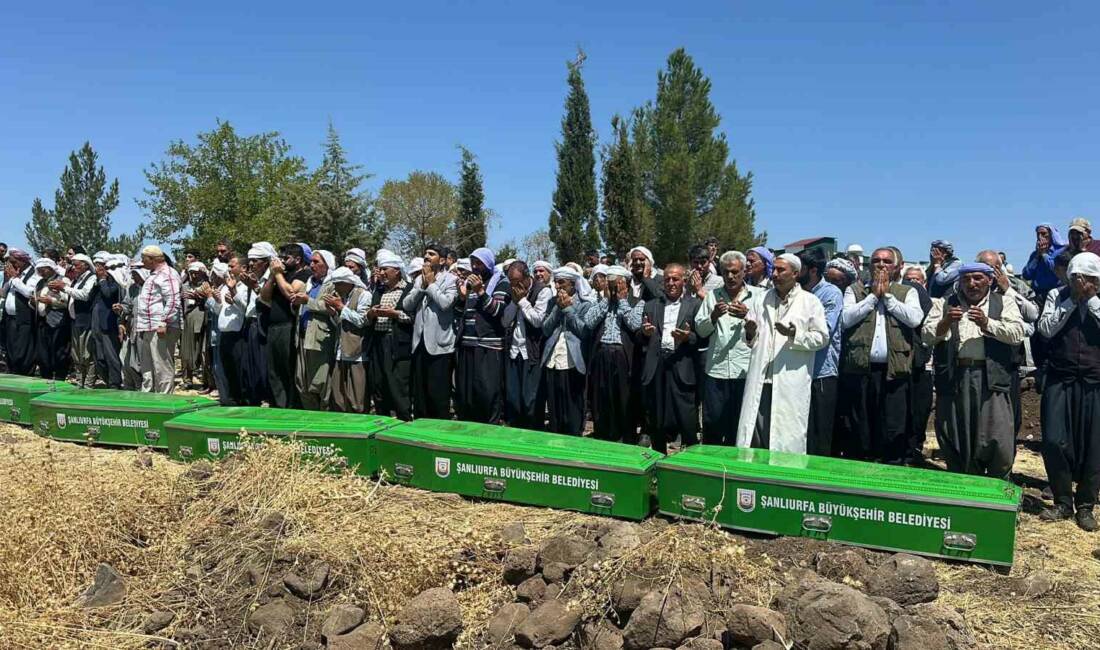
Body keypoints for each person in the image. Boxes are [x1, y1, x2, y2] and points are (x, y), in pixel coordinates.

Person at [924, 263, 1025, 479]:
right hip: (955, 377)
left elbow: (1017, 334)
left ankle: (995, 494)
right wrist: (946, 322)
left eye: (978, 278)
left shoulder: (1004, 302)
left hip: (991, 378)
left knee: (997, 438)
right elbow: (927, 335)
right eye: (967, 279)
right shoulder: (943, 304)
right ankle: (964, 489)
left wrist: (987, 323)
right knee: (956, 436)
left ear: (990, 280)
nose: (972, 284)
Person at [838, 247, 925, 463]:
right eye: (876, 260)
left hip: (894, 371)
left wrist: (887, 297)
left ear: (896, 267)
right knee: (861, 424)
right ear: (869, 265)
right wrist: (872, 298)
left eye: (886, 261)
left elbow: (914, 319)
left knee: (893, 425)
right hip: (861, 370)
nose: (881, 265)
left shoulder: (907, 292)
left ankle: (891, 468)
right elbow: (845, 319)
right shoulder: (855, 290)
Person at [735, 254, 829, 454]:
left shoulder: (810, 302)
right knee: (755, 434)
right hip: (761, 378)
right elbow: (750, 339)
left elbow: (821, 338)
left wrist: (794, 334)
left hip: (790, 379)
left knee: (786, 435)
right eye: (774, 269)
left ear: (795, 273)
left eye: (781, 270)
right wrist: (750, 331)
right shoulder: (761, 298)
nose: (775, 274)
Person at [1037, 252, 1100, 531]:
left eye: (1085, 278)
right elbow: (1046, 329)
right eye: (1075, 277)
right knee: (1053, 440)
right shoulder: (1056, 295)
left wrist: (1092, 302)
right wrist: (1072, 301)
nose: (1079, 282)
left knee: (1095, 446)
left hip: (1094, 382)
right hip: (1060, 379)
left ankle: (1086, 505)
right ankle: (1062, 501)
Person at [694, 251, 761, 446]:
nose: (730, 277)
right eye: (726, 272)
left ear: (744, 272)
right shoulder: (712, 296)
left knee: (740, 427)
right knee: (713, 424)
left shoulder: (757, 296)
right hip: (717, 371)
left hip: (745, 371)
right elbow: (701, 330)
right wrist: (713, 316)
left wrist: (748, 317)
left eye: (735, 272)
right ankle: (712, 469)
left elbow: (763, 332)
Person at [639, 264, 702, 454]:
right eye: (667, 279)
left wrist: (687, 337)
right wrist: (644, 333)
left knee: (686, 416)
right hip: (657, 364)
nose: (671, 283)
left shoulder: (695, 305)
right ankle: (658, 458)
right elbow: (640, 337)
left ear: (684, 280)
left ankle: (691, 463)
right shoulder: (651, 305)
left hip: (682, 364)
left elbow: (703, 338)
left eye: (675, 279)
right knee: (656, 417)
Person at [979, 249, 1039, 438]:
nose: (991, 272)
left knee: (1009, 414)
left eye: (995, 267)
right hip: (979, 360)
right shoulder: (968, 285)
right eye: (986, 267)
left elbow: (1032, 314)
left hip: (1008, 360)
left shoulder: (1016, 285)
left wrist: (1008, 290)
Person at [585, 265, 645, 442]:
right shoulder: (600, 302)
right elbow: (589, 322)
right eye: (610, 285)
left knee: (622, 398)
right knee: (601, 397)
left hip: (622, 355)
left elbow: (635, 325)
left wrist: (622, 301)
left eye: (617, 284)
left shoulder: (637, 301)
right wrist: (606, 301)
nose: (613, 288)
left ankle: (624, 436)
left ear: (625, 284)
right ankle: (603, 433)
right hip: (602, 352)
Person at [455, 248, 511, 423]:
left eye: (479, 263)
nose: (475, 267)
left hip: (488, 346)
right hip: (467, 345)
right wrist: (462, 298)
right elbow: (459, 311)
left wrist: (480, 292)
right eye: (473, 263)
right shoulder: (471, 283)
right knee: (467, 393)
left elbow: (498, 311)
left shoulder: (501, 283)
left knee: (487, 393)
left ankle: (490, 430)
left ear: (488, 264)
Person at [404, 243, 458, 419]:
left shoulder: (451, 280)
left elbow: (445, 304)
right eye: (425, 253)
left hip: (440, 345)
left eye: (431, 254)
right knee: (420, 394)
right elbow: (406, 305)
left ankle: (439, 432)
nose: (426, 256)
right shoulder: (419, 279)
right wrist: (421, 286)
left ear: (442, 260)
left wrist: (432, 284)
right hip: (419, 343)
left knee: (438, 394)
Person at [798, 248, 843, 456]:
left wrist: (793, 329)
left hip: (821, 373)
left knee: (820, 431)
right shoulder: (796, 294)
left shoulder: (831, 294)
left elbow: (824, 330)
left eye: (801, 268)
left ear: (813, 270)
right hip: (798, 372)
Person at [540, 266, 595, 435]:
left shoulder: (585, 304)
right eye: (556, 282)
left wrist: (569, 309)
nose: (557, 286)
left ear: (572, 284)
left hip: (572, 361)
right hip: (553, 359)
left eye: (561, 282)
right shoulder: (552, 302)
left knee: (573, 406)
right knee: (555, 408)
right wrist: (558, 308)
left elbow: (584, 331)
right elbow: (545, 329)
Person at [501, 261, 551, 429]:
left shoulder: (543, 291)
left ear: (527, 277)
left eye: (517, 281)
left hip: (532, 353)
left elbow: (538, 321)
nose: (514, 286)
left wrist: (522, 301)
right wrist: (514, 303)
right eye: (511, 282)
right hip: (515, 351)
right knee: (514, 398)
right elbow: (505, 321)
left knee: (531, 399)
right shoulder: (513, 293)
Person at [262, 243, 310, 408]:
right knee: (273, 369)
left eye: (286, 258)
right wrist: (271, 276)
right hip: (273, 326)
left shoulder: (304, 273)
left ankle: (290, 406)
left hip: (288, 325)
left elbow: (291, 293)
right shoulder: (280, 274)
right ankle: (276, 404)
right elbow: (264, 297)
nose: (282, 261)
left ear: (297, 259)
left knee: (287, 368)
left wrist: (278, 274)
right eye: (280, 257)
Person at [368, 251, 413, 419]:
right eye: (380, 270)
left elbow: (412, 318)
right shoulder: (378, 291)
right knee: (379, 383)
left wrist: (393, 314)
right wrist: (372, 313)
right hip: (378, 342)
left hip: (397, 344)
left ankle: (404, 421)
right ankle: (382, 419)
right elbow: (369, 315)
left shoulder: (408, 289)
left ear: (397, 271)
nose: (381, 273)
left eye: (385, 269)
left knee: (398, 384)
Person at [134, 245, 182, 393]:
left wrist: (163, 322)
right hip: (149, 327)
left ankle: (165, 399)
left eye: (144, 259)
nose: (142, 262)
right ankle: (148, 398)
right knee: (148, 367)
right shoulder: (154, 274)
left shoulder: (168, 274)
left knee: (162, 366)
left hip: (161, 326)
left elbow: (173, 300)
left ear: (152, 259)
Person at [900, 263, 934, 465]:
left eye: (917, 280)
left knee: (919, 412)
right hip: (903, 364)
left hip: (922, 365)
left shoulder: (931, 301)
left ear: (924, 282)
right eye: (908, 279)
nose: (913, 284)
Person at [295, 250, 337, 410]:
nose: (312, 265)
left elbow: (331, 307)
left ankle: (324, 418)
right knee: (302, 381)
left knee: (321, 382)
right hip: (302, 337)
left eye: (316, 262)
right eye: (311, 261)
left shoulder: (332, 284)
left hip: (320, 338)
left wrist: (308, 301)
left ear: (327, 265)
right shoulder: (309, 283)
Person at [327, 267, 370, 413]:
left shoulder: (363, 295)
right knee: (339, 397)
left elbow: (362, 321)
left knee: (357, 399)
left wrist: (341, 307)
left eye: (338, 283)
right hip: (340, 351)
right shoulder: (342, 296)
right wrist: (334, 311)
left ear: (348, 282)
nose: (336, 287)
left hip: (357, 354)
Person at [240, 243, 274, 405]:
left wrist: (254, 287)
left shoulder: (270, 278)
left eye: (256, 260)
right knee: (250, 368)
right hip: (250, 324)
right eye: (250, 261)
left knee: (263, 367)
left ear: (266, 262)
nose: (252, 264)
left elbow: (266, 302)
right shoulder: (253, 278)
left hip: (264, 325)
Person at [213, 256, 247, 406]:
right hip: (224, 333)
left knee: (239, 370)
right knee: (228, 369)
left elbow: (247, 309)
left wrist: (234, 295)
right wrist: (218, 301)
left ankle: (242, 401)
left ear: (243, 268)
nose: (229, 269)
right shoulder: (225, 286)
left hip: (238, 334)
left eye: (232, 266)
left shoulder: (245, 287)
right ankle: (231, 399)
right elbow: (218, 311)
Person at [60, 253, 97, 387]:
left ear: (85, 265)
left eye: (76, 265)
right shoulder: (77, 280)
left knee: (87, 354)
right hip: (75, 321)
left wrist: (64, 288)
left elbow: (85, 295)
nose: (73, 268)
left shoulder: (91, 278)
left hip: (86, 321)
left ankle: (88, 384)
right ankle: (80, 382)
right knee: (77, 355)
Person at [33, 258, 71, 380]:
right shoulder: (40, 283)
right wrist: (33, 302)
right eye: (39, 271)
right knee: (43, 354)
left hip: (58, 322)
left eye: (43, 270)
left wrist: (52, 302)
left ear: (50, 268)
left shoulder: (63, 280)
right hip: (43, 322)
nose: (41, 273)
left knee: (59, 352)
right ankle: (46, 377)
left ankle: (60, 378)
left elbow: (67, 301)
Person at [2, 249, 39, 375]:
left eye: (13, 262)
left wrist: (14, 279)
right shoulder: (14, 274)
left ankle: (25, 375)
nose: (11, 265)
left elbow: (29, 292)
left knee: (24, 351)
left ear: (22, 261)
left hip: (24, 319)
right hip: (10, 319)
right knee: (11, 350)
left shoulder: (34, 273)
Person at [89, 254, 123, 389]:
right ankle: (106, 379)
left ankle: (114, 383)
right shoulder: (99, 281)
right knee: (99, 355)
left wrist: (103, 280)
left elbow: (108, 294)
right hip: (97, 322)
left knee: (111, 355)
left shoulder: (116, 282)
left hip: (109, 324)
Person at [118, 262, 149, 390]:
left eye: (135, 274)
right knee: (131, 361)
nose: (133, 277)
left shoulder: (150, 287)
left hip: (147, 330)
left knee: (144, 362)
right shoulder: (132, 289)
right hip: (133, 329)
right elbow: (127, 306)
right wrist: (120, 308)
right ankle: (136, 386)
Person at [180, 262, 210, 391]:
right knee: (186, 352)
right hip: (188, 321)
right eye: (191, 273)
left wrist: (200, 297)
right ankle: (187, 379)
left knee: (203, 353)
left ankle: (206, 381)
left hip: (203, 321)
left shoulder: (207, 286)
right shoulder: (184, 286)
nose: (193, 275)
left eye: (196, 273)